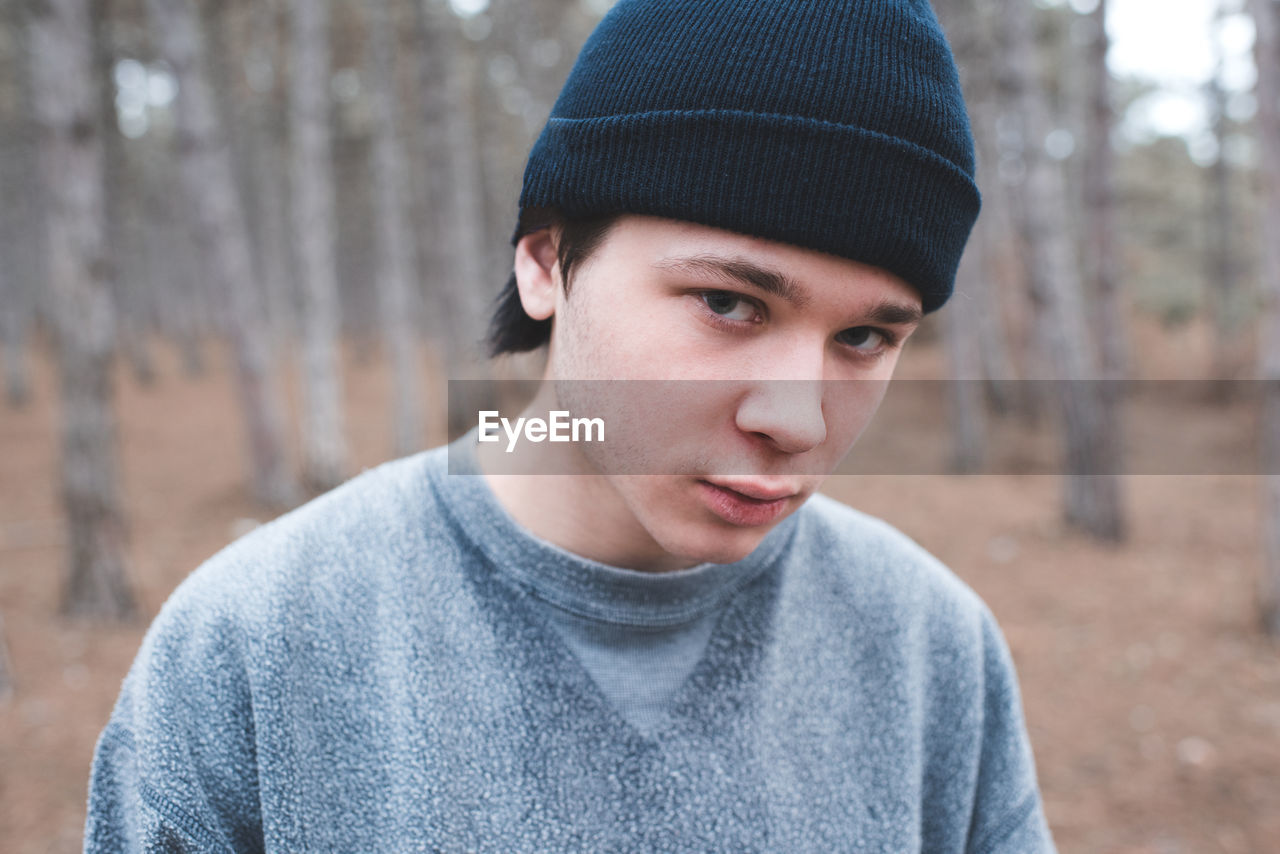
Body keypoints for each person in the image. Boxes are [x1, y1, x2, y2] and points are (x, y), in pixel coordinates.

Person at [85, 1, 1057, 851]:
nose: (795, 418)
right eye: (727, 303)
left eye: (862, 335)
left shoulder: (927, 647)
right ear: (546, 261)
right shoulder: (260, 640)